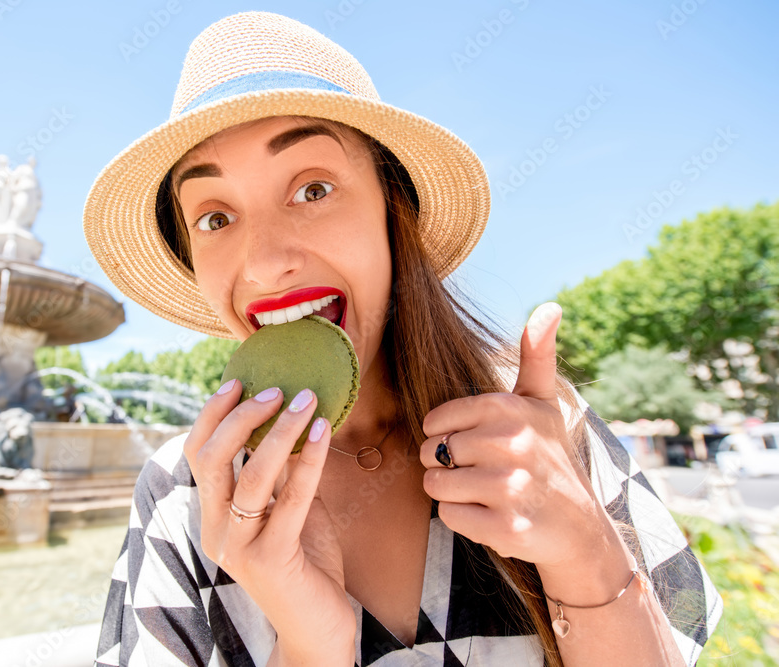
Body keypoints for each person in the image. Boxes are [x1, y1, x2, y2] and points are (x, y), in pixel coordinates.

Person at [83, 12, 721, 667]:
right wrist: (310, 644)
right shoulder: (184, 489)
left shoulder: (540, 432)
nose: (265, 262)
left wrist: (586, 551)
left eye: (313, 188)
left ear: (395, 211)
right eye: (214, 216)